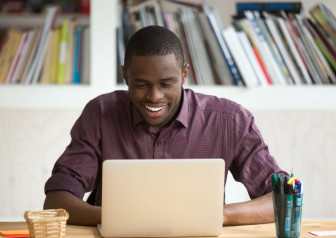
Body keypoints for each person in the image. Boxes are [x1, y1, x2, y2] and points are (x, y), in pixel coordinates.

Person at [44, 25, 288, 226]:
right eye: (140, 85)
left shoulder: (229, 119)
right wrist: (121, 220)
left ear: (184, 75)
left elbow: (283, 198)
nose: (154, 96)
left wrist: (216, 215)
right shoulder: (100, 114)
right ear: (125, 76)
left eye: (167, 83)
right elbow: (57, 200)